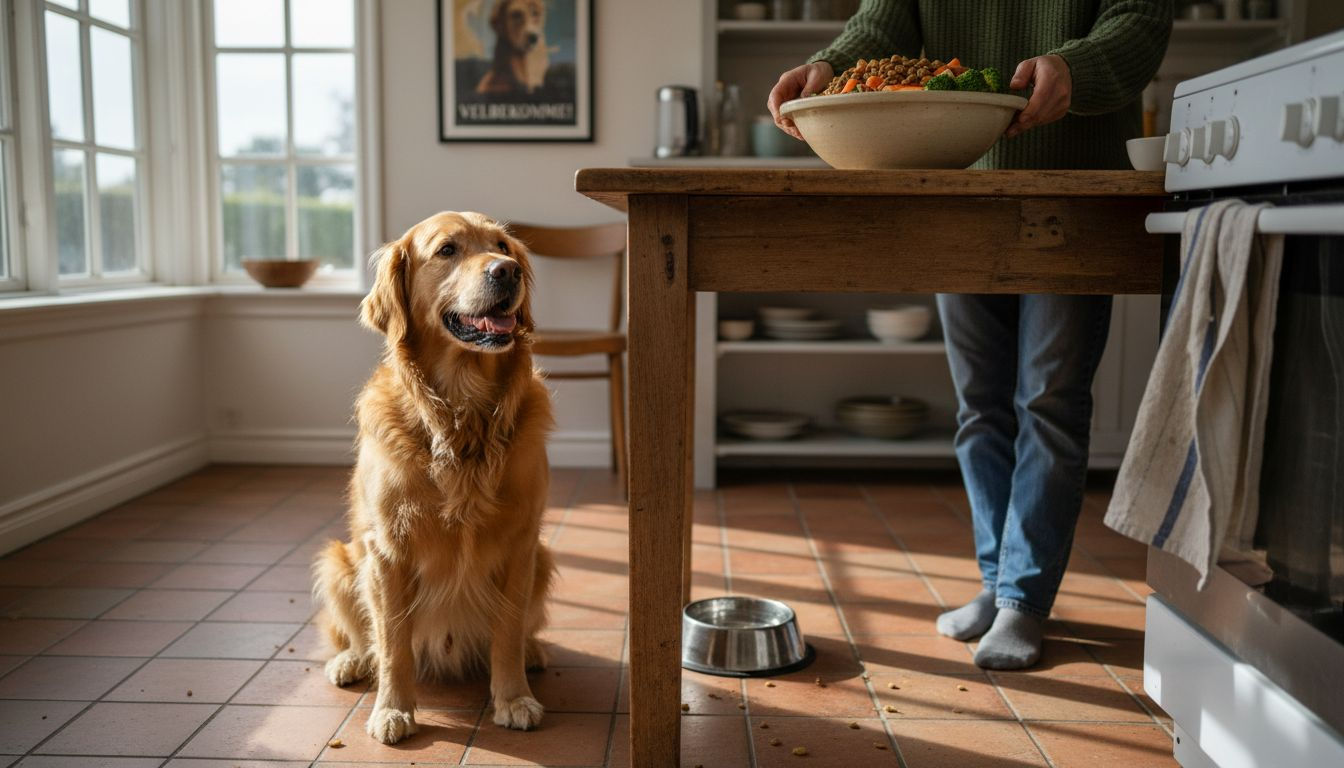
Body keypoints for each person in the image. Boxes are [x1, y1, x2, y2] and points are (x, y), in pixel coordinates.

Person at [768, 0, 1173, 670]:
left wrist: (1074, 68)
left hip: (1074, 192)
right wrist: (830, 63)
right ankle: (997, 583)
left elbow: (1141, 21)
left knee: (1048, 400)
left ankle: (1023, 598)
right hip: (960, 186)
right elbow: (883, 21)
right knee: (979, 405)